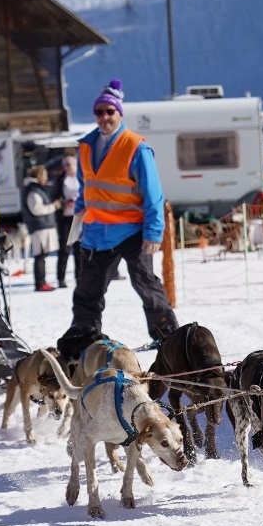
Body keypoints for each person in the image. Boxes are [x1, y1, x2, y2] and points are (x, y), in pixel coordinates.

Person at [61, 79, 178, 346]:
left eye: (109, 111)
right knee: (88, 290)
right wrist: (78, 224)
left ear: (119, 113)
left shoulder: (136, 147)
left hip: (132, 230)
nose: (104, 117)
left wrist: (153, 233)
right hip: (96, 232)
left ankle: (168, 338)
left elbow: (153, 194)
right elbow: (86, 189)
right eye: (99, 112)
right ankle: (84, 338)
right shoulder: (85, 146)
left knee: (146, 285)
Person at [20, 165, 61, 292]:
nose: (46, 178)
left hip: (42, 226)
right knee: (40, 255)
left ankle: (42, 281)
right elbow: (36, 209)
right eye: (45, 175)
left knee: (42, 255)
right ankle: (40, 283)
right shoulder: (33, 190)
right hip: (39, 227)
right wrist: (53, 207)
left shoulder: (35, 189)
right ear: (39, 176)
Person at [54, 153, 81, 288]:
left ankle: (79, 277)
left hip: (79, 216)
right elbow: (55, 196)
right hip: (65, 217)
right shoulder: (61, 179)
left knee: (79, 249)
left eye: (69, 164)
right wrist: (64, 202)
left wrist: (78, 201)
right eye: (64, 164)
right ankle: (61, 278)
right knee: (64, 249)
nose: (66, 167)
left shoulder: (81, 177)